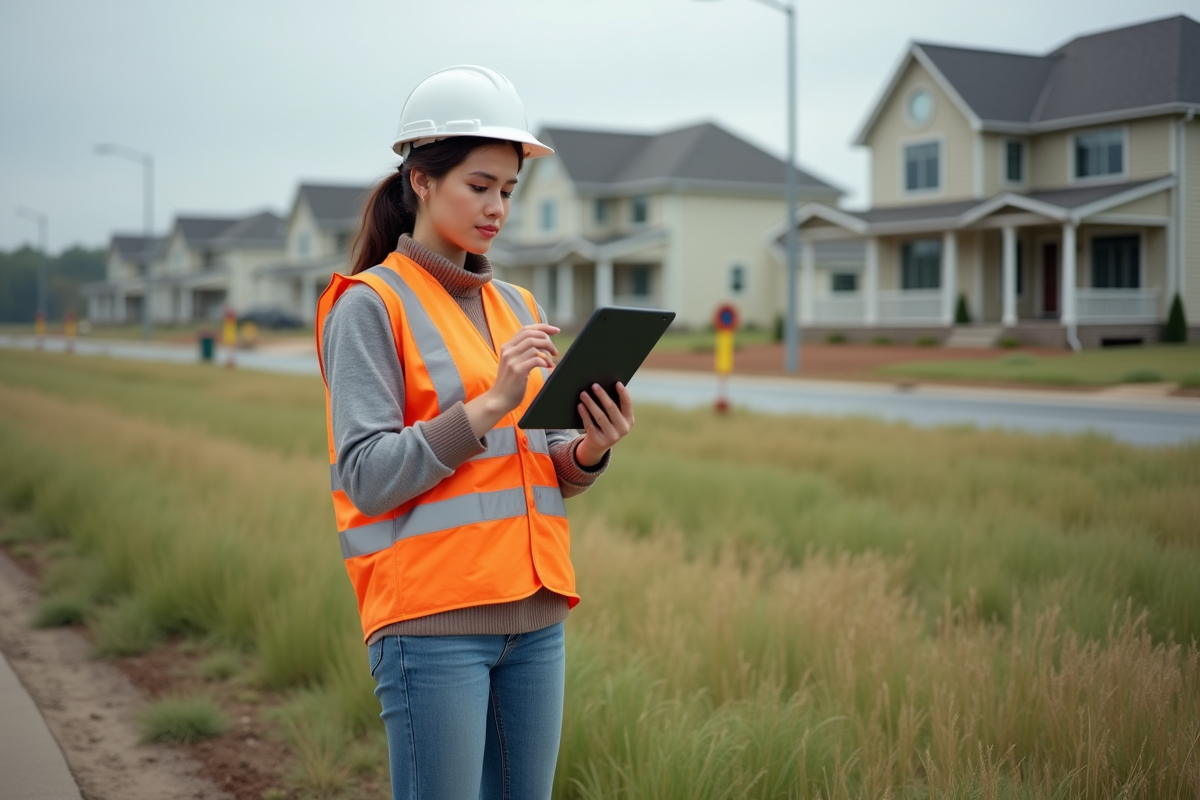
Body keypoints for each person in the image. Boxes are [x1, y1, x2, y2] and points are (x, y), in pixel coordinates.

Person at [314, 65, 635, 800]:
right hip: (431, 624)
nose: (498, 207)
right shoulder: (369, 305)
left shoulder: (516, 302)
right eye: (479, 185)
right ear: (422, 181)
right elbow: (366, 476)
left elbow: (526, 465)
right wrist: (490, 404)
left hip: (536, 613)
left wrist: (588, 451)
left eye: (509, 191)